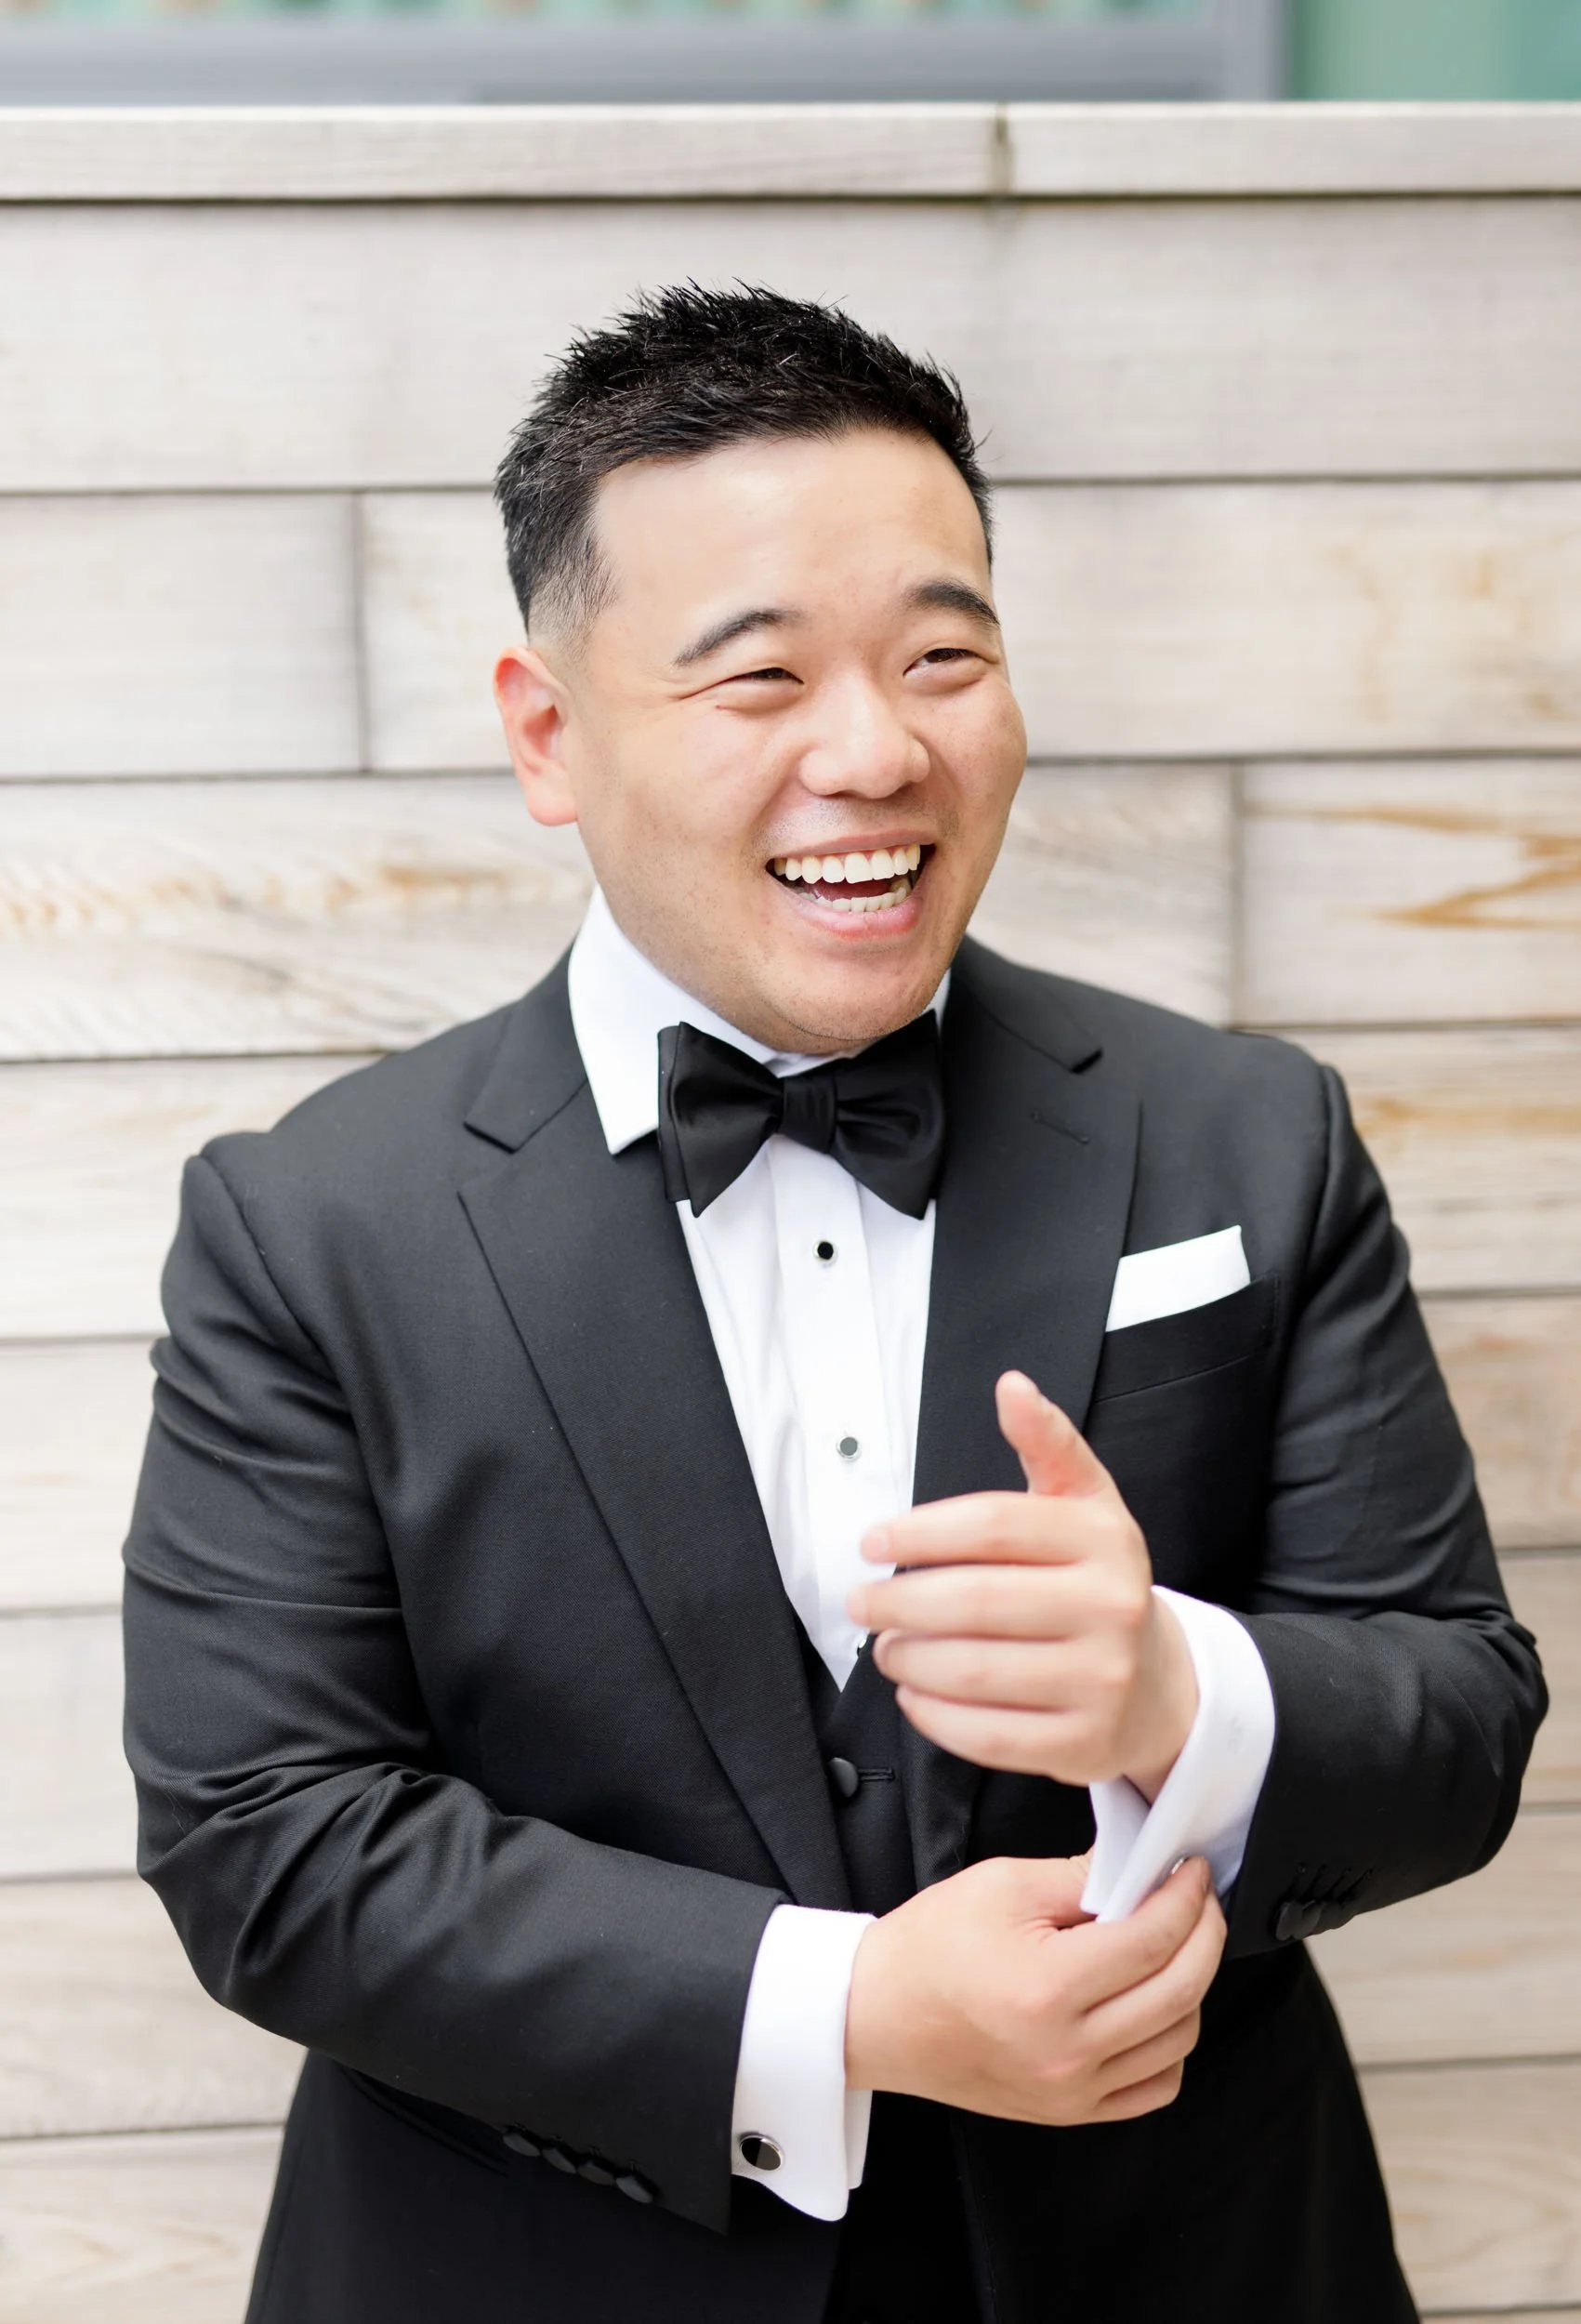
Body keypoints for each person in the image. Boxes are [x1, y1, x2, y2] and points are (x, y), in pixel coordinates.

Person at [122, 286, 1545, 2324]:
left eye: (942, 657)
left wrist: (1174, 1692)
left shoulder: (1248, 1131)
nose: (875, 750)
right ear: (548, 730)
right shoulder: (309, 1221)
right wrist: (852, 2001)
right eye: (758, 675)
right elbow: (268, 1835)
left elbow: (1457, 1713)